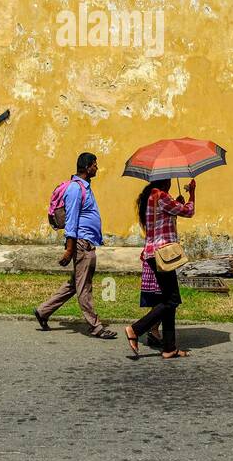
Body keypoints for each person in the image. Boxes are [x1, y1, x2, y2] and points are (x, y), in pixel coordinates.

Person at [34, 152, 117, 339]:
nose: (97, 167)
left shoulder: (85, 187)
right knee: (84, 287)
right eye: (95, 164)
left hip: (86, 242)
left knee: (75, 284)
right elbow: (71, 222)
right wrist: (69, 249)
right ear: (87, 167)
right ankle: (96, 327)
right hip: (81, 244)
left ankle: (43, 311)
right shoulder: (75, 189)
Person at [126, 177, 195, 359]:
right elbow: (189, 211)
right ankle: (136, 329)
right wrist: (192, 193)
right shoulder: (162, 196)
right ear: (165, 181)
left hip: (153, 253)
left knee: (168, 302)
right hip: (162, 255)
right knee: (172, 300)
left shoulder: (152, 196)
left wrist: (176, 204)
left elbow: (165, 216)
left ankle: (169, 348)